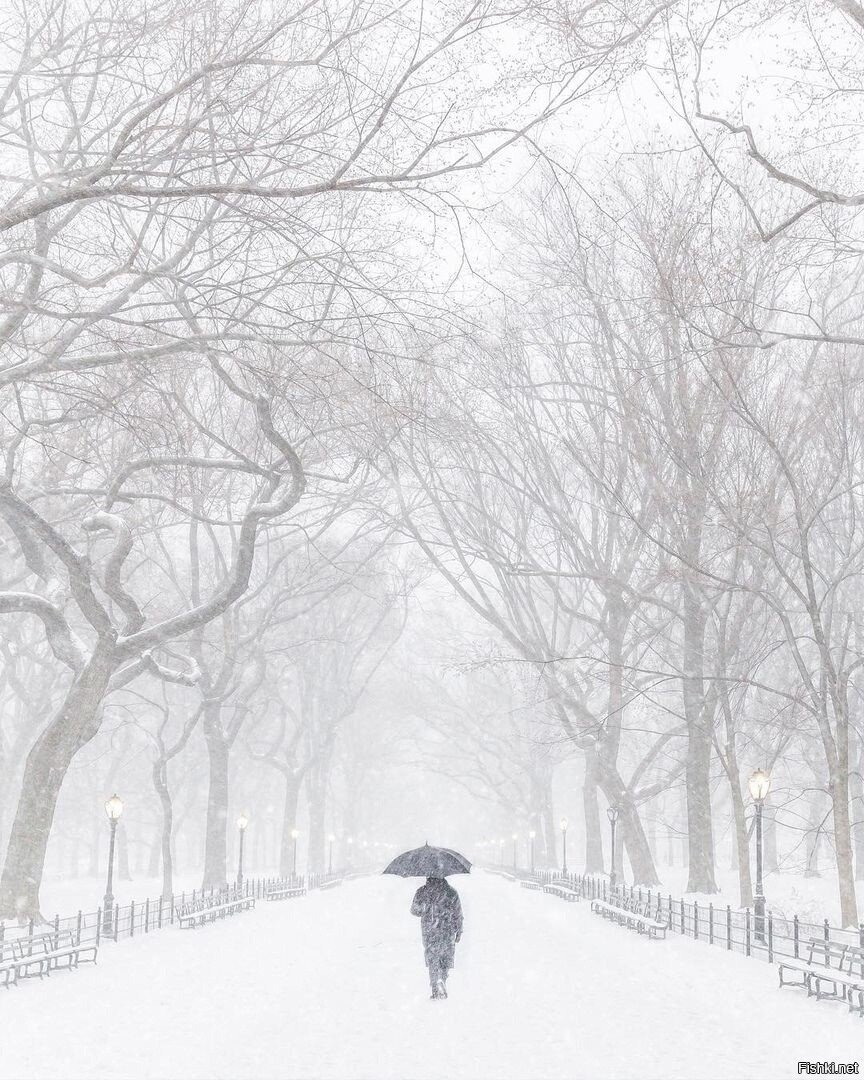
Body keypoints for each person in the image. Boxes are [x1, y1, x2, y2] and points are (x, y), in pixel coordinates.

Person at [411, 875, 464, 1000]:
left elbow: (413, 910)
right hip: (448, 930)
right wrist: (459, 931)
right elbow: (458, 913)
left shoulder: (422, 891)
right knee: (445, 958)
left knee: (433, 959)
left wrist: (424, 908)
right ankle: (442, 980)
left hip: (430, 931)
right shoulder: (451, 892)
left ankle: (435, 987)